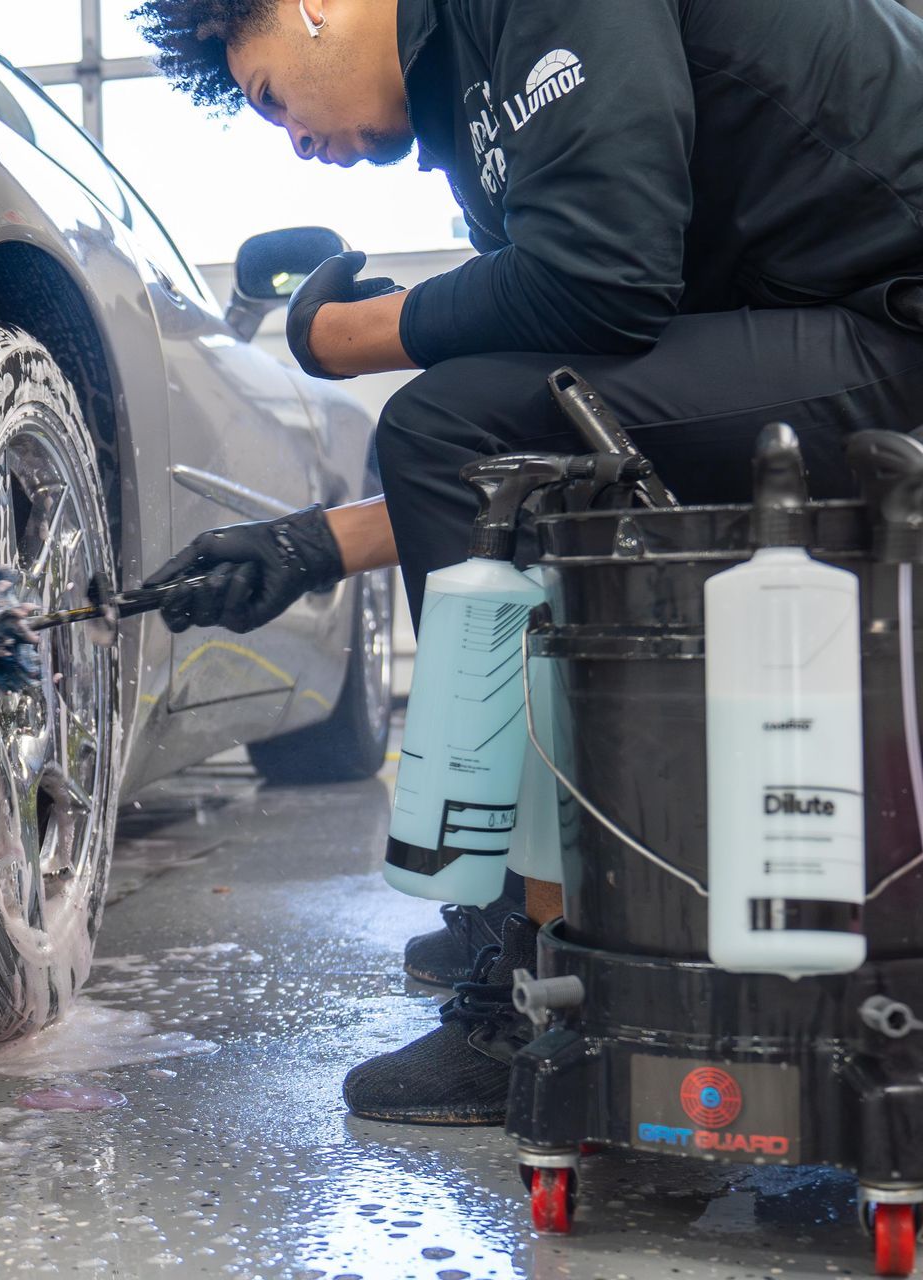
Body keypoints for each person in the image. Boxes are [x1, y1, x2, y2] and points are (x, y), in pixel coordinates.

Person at [130, 0, 923, 1124]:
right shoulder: (473, 96)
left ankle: (531, 990)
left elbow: (601, 279)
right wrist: (315, 544)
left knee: (431, 417)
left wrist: (357, 335)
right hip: (843, 322)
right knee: (453, 420)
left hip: (893, 322)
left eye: (268, 100)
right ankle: (541, 914)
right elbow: (548, 424)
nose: (296, 143)